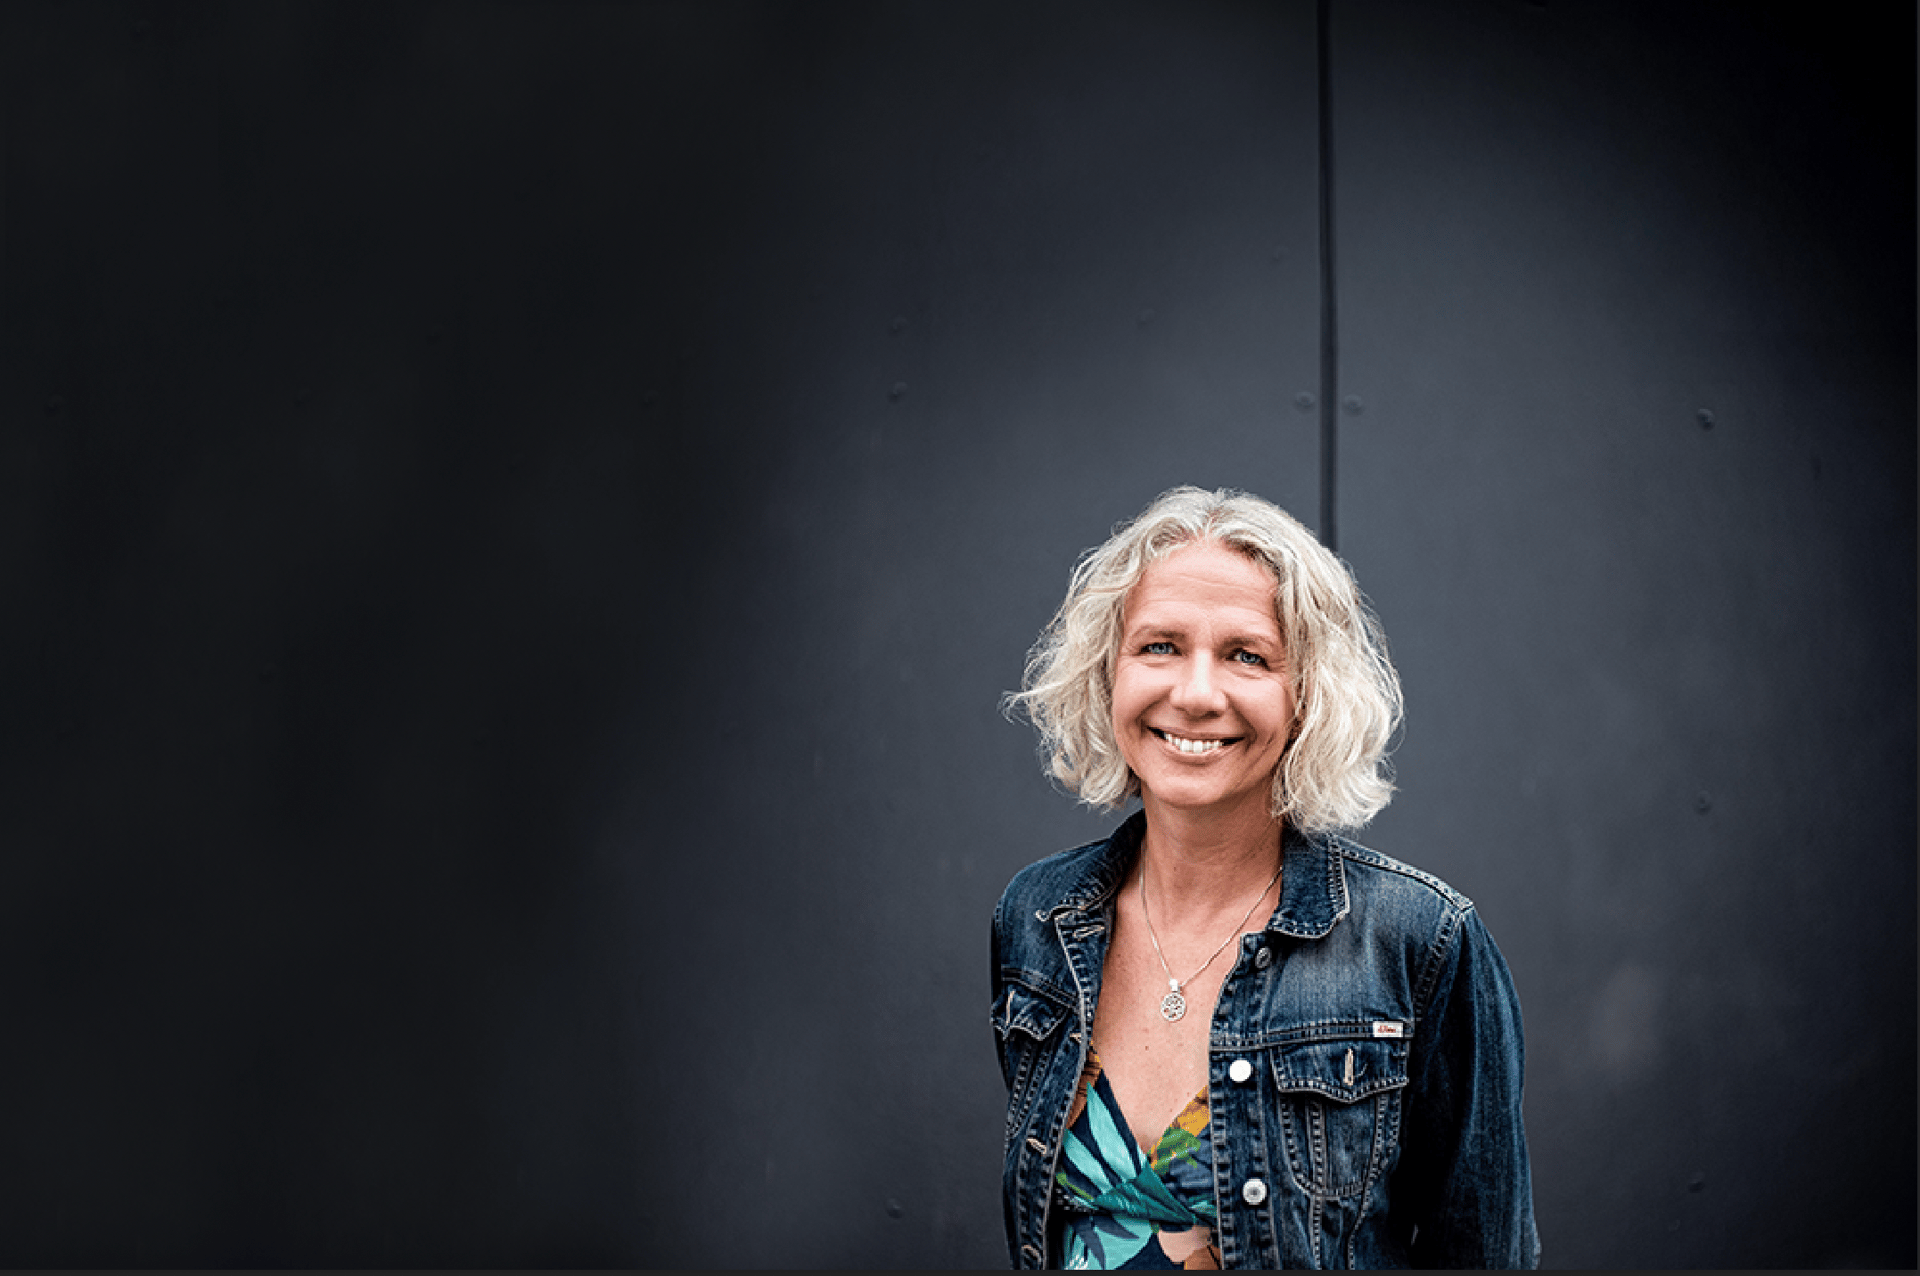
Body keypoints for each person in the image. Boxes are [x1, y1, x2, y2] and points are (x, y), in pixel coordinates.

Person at [991, 486, 1537, 1269]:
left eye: (1247, 655)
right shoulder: (1038, 917)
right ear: (1108, 671)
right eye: (1159, 646)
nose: (1195, 694)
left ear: (1307, 695)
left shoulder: (1420, 941)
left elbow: (1486, 1254)